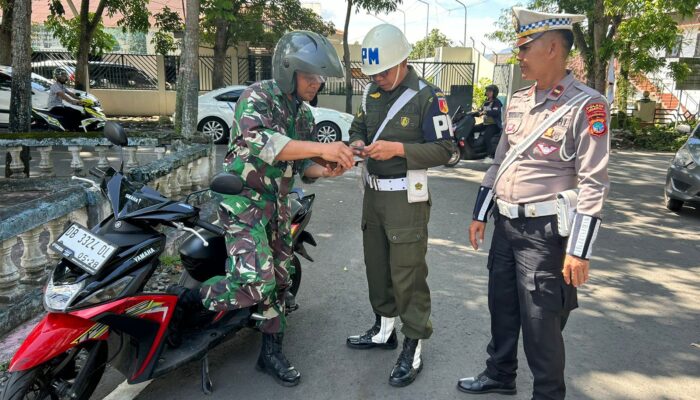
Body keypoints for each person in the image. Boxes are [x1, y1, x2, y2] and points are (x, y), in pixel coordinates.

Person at [457, 7, 610, 400]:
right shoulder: (519, 100)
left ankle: (547, 393)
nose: (519, 56)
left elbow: (594, 182)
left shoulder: (586, 106)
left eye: (525, 48)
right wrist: (480, 213)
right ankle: (500, 373)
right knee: (502, 308)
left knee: (542, 324)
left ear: (553, 48)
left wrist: (578, 251)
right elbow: (500, 161)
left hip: (545, 234)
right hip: (506, 226)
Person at [199, 30, 354, 387]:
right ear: (288, 69)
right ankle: (193, 302)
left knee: (281, 282)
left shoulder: (303, 115)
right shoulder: (258, 97)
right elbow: (263, 143)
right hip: (244, 203)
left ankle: (270, 352)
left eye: (320, 77)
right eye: (310, 75)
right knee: (258, 282)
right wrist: (322, 148)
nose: (317, 83)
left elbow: (302, 168)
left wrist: (327, 168)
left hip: (278, 207)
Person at [346, 24, 457, 387]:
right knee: (376, 266)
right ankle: (384, 328)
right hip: (373, 195)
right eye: (372, 73)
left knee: (407, 272)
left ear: (404, 61)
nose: (378, 78)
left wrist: (399, 150)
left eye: (384, 71)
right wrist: (359, 143)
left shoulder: (428, 97)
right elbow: (357, 129)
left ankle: (414, 342)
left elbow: (447, 150)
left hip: (407, 197)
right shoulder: (370, 93)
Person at [473, 84, 503, 158]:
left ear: (494, 93)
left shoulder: (497, 102)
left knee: (487, 136)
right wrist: (474, 113)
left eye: (490, 91)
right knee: (472, 128)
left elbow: (495, 112)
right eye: (487, 91)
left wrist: (486, 112)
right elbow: (481, 110)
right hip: (486, 123)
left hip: (494, 124)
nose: (488, 92)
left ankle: (490, 153)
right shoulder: (486, 102)